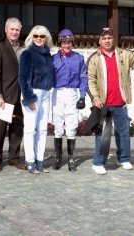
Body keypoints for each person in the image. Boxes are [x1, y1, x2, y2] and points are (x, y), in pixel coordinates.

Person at [86, 27, 134, 175]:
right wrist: (95, 97)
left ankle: (124, 158)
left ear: (114, 39)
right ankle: (99, 162)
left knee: (123, 132)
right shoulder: (94, 58)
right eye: (104, 38)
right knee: (103, 135)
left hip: (120, 103)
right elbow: (90, 80)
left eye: (110, 38)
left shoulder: (124, 55)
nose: (107, 40)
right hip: (104, 104)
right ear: (100, 40)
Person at [0, 18, 26, 172]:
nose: (14, 32)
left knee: (17, 128)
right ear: (6, 30)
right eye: (12, 29)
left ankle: (14, 158)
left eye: (17, 30)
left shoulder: (24, 47)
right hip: (4, 95)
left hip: (21, 95)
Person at [19, 25, 54, 174]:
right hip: (33, 93)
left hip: (46, 94)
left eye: (42, 36)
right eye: (36, 36)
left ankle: (40, 160)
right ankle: (30, 161)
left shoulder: (48, 55)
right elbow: (23, 78)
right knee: (30, 129)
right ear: (31, 38)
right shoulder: (27, 54)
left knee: (43, 129)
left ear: (46, 38)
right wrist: (29, 98)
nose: (39, 38)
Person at [51, 29, 88, 172]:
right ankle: (57, 157)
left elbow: (83, 77)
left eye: (69, 42)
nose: (67, 45)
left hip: (72, 93)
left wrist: (83, 96)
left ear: (72, 43)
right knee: (58, 125)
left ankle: (71, 158)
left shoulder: (78, 58)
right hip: (57, 93)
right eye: (64, 42)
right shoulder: (53, 58)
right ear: (60, 43)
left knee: (71, 125)